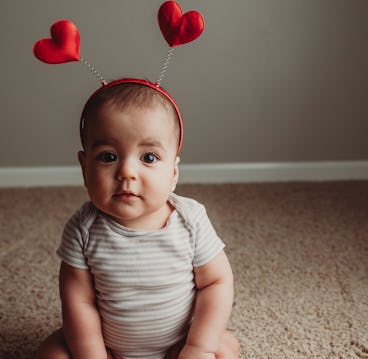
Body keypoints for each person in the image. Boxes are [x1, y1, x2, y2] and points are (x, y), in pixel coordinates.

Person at [36, 79, 239, 359]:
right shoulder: (83, 229)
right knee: (51, 353)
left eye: (149, 157)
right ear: (84, 168)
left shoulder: (190, 220)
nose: (127, 172)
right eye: (108, 156)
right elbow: (78, 301)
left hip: (177, 346)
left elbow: (216, 282)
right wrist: (92, 354)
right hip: (107, 348)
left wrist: (198, 346)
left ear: (174, 173)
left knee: (224, 347)